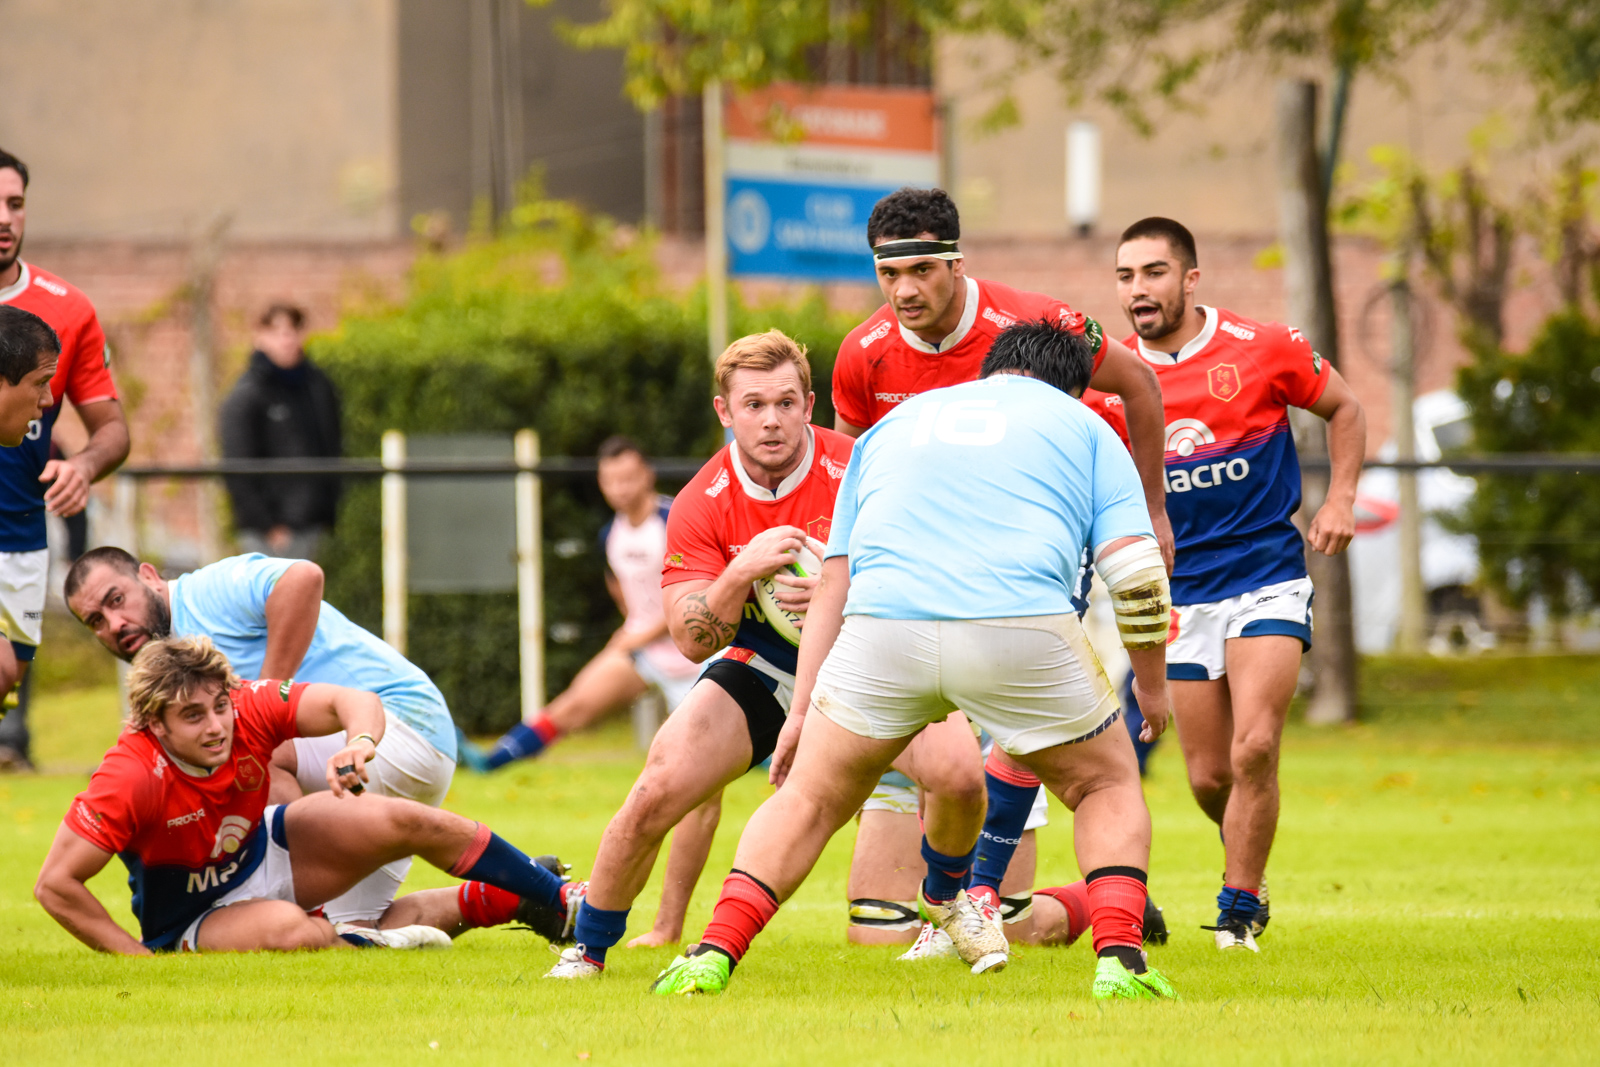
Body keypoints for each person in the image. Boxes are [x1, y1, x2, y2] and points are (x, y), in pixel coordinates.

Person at [653, 318, 1178, 1000]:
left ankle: (712, 951)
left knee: (810, 796)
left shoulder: (892, 428)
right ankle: (1120, 962)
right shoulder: (1083, 427)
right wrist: (1153, 687)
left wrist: (804, 705)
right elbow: (1137, 575)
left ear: (991, 372)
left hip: (883, 628)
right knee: (1105, 784)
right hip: (1016, 625)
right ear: (1072, 389)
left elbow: (835, 581)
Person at [544, 330, 985, 980]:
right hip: (766, 666)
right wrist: (737, 573)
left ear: (810, 403)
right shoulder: (702, 500)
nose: (772, 419)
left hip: (871, 657)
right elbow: (693, 637)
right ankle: (589, 948)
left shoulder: (862, 468)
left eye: (785, 402)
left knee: (959, 776)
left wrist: (849, 590)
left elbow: (933, 576)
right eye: (753, 405)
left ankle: (942, 902)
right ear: (725, 411)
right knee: (656, 788)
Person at [829, 186, 1174, 953]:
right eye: (890, 275)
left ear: (956, 261)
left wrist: (1150, 512)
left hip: (1045, 550)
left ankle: (977, 893)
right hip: (923, 582)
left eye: (922, 270)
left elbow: (1140, 386)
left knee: (1019, 718)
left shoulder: (1037, 323)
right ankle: (1032, 896)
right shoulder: (862, 353)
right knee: (875, 934)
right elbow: (848, 469)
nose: (905, 291)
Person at [1086, 217, 1366, 951]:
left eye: (1152, 272)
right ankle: (1251, 859)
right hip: (1181, 596)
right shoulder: (1109, 382)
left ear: (1190, 278)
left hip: (1267, 575)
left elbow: (1346, 407)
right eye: (1125, 276)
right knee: (1210, 777)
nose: (1138, 289)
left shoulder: (1262, 347)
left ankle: (1238, 907)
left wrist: (1338, 499)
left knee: (1255, 747)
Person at [33, 635, 578, 954]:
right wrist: (138, 966)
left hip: (264, 848)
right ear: (154, 723)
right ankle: (423, 923)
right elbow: (56, 885)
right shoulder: (128, 777)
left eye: (219, 706)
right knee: (298, 935)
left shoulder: (247, 703)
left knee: (404, 821)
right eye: (192, 716)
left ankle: (555, 898)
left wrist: (360, 744)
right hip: (193, 915)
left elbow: (352, 699)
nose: (216, 726)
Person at [63, 548, 461, 931]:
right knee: (353, 931)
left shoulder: (204, 591)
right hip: (403, 759)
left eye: (117, 600)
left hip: (394, 726)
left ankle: (277, 905)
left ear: (148, 576)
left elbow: (303, 577)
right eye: (96, 621)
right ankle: (497, 898)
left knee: (250, 747)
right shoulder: (167, 673)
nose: (114, 624)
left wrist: (266, 692)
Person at [0, 148, 131, 770]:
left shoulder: (67, 308)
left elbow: (112, 428)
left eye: (15, 204)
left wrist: (81, 466)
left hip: (20, 534)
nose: (4, 218)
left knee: (6, 678)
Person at [475, 436, 702, 769]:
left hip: (699, 655)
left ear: (647, 475)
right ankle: (488, 763)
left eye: (628, 478)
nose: (620, 488)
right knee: (573, 705)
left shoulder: (676, 520)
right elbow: (623, 595)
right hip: (645, 651)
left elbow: (700, 596)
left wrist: (642, 634)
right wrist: (636, 635)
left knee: (713, 751)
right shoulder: (609, 535)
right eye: (611, 481)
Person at [219, 303, 342, 561]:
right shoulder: (246, 395)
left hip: (313, 524)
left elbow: (331, 446)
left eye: (292, 330)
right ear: (260, 337)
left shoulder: (317, 387)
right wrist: (267, 525)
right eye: (276, 331)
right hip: (269, 534)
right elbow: (236, 466)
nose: (286, 339)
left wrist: (326, 509)